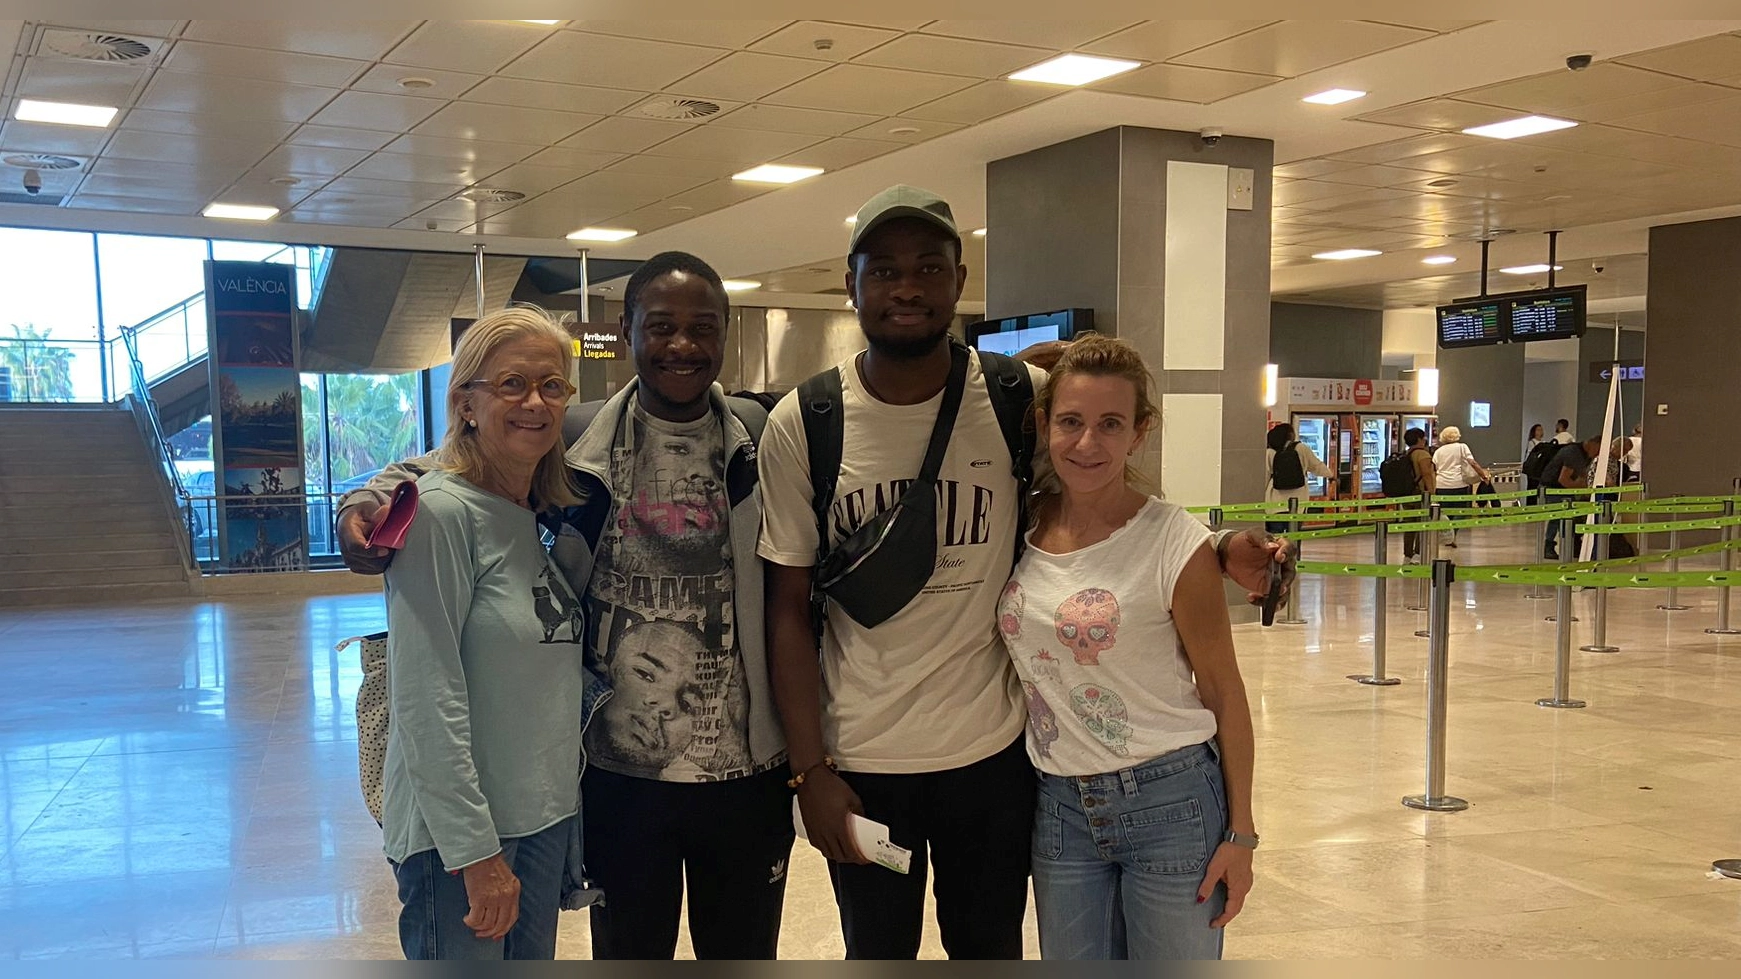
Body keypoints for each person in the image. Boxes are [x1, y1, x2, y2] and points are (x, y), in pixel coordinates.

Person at [755, 184, 1290, 961]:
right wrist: (809, 771)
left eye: (929, 268)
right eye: (885, 270)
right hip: (865, 761)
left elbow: (1102, 488)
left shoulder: (1015, 395)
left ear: (958, 279)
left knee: (989, 947)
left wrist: (1208, 545)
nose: (907, 287)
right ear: (851, 285)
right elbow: (787, 609)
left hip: (993, 762)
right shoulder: (804, 423)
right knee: (876, 952)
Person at [339, 253, 795, 961]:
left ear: (725, 335)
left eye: (702, 327)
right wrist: (363, 502)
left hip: (735, 777)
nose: (681, 345)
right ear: (627, 331)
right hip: (615, 777)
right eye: (661, 326)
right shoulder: (580, 432)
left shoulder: (763, 436)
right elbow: (442, 466)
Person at [997, 334, 1256, 960]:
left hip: (1171, 800)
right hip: (1060, 807)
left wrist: (1242, 835)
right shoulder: (1017, 522)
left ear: (1139, 432)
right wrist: (1049, 362)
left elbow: (1223, 689)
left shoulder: (1176, 541)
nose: (1088, 444)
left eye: (1110, 424)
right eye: (1070, 421)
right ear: (1044, 424)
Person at [378, 306, 594, 960]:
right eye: (511, 384)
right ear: (466, 401)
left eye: (551, 385)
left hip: (540, 821)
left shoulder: (537, 514)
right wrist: (474, 851)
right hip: (465, 837)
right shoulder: (441, 513)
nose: (535, 401)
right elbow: (425, 691)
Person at [1264, 422, 1333, 534]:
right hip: (1298, 502)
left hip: (1274, 503)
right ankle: (1293, 552)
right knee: (1294, 537)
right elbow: (1317, 466)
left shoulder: (1270, 452)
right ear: (1290, 435)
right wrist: (1331, 475)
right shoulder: (1301, 448)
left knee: (1275, 538)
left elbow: (1265, 476)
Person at [1541, 436, 1601, 560]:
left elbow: (1582, 475)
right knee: (1557, 517)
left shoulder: (1585, 456)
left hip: (1563, 489)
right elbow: (1563, 479)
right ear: (1593, 444)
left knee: (1566, 518)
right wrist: (1580, 488)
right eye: (1598, 450)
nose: (1598, 454)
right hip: (1554, 488)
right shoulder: (1573, 454)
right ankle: (1549, 546)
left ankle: (1570, 546)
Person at [1431, 426, 1490, 548]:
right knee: (1460, 511)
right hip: (1459, 483)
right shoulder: (1462, 447)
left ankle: (1448, 533)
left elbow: (1434, 468)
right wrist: (1483, 475)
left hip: (1441, 484)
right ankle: (1453, 534)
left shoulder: (1439, 451)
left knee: (1445, 512)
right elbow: (1472, 463)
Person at [1401, 427, 1435, 561]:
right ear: (1420, 439)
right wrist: (1432, 493)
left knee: (1409, 525)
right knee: (1422, 524)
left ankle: (1407, 555)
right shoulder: (1423, 454)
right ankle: (1418, 554)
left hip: (1408, 493)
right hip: (1420, 494)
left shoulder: (1406, 453)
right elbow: (1426, 474)